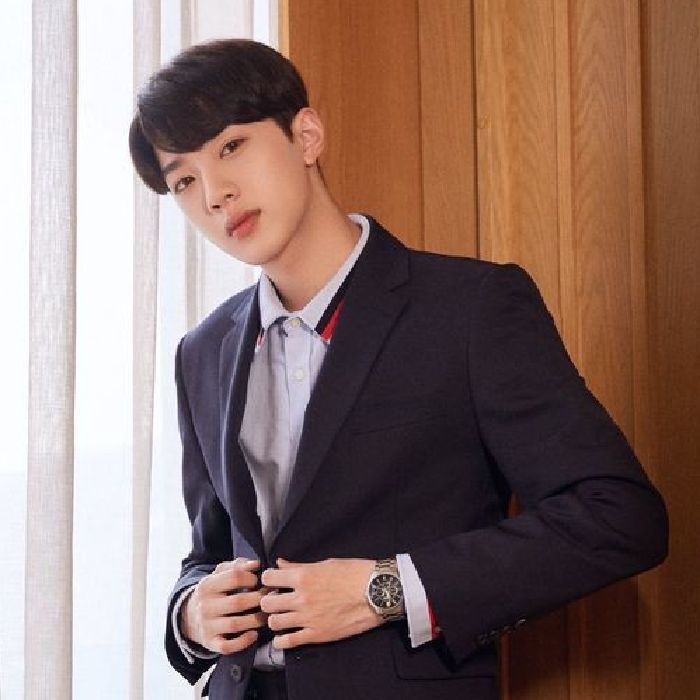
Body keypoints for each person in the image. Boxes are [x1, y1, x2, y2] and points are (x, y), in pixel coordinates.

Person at [129, 39, 668, 700]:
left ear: (306, 134)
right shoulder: (202, 352)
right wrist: (191, 615)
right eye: (183, 180)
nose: (215, 194)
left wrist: (385, 589)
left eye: (231, 147)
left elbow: (618, 517)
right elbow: (210, 553)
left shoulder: (470, 310)